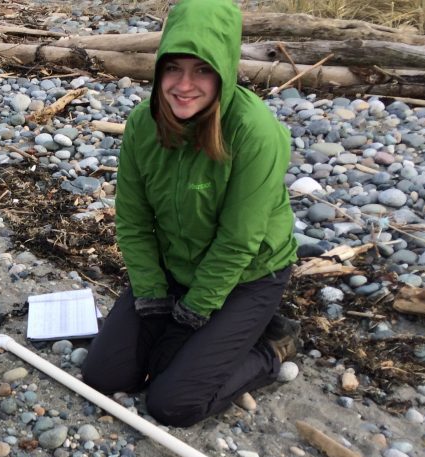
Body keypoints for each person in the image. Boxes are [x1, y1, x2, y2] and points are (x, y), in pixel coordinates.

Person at [81, 0, 299, 428]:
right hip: (175, 266)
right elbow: (133, 220)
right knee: (104, 375)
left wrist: (190, 317)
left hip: (247, 276)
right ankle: (214, 334)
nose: (184, 85)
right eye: (173, 68)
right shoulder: (144, 125)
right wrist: (151, 296)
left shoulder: (254, 131)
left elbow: (239, 241)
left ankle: (271, 348)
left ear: (224, 70)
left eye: (202, 70)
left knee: (172, 402)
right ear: (158, 70)